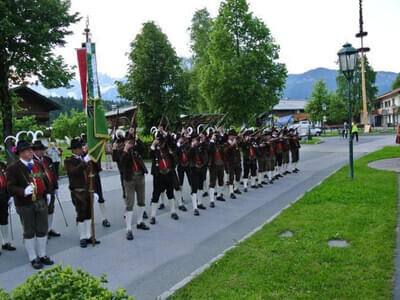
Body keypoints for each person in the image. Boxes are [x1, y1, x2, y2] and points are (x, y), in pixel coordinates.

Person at [7, 140, 54, 269]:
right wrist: (23, 191)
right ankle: (33, 258)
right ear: (20, 153)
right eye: (27, 150)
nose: (30, 152)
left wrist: (48, 192)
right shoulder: (13, 168)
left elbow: (45, 179)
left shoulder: (38, 164)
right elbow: (10, 187)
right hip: (24, 203)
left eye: (30, 149)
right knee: (29, 231)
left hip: (40, 200)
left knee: (42, 228)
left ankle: (42, 254)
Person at [64, 139, 100, 248]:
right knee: (81, 214)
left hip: (88, 190)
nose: (82, 150)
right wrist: (84, 162)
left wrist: (93, 160)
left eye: (82, 148)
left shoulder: (85, 159)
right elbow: (73, 172)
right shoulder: (69, 161)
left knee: (89, 213)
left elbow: (96, 170)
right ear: (74, 150)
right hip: (77, 191)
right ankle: (82, 237)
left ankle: (89, 235)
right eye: (80, 148)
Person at [120, 131, 150, 240]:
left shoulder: (136, 149)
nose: (131, 143)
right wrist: (125, 149)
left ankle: (140, 222)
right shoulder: (122, 151)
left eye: (132, 141)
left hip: (140, 176)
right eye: (129, 141)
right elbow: (122, 162)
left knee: (141, 200)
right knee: (130, 203)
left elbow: (143, 149)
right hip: (129, 179)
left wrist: (138, 139)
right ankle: (128, 229)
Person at [149, 130, 179, 224]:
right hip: (159, 175)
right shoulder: (154, 150)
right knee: (156, 195)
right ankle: (153, 216)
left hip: (169, 173)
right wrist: (153, 145)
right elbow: (150, 154)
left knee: (170, 193)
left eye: (163, 141)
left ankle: (173, 211)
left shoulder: (167, 147)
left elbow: (173, 144)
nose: (162, 143)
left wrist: (166, 134)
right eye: (160, 142)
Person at [32, 140, 60, 238]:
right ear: (34, 151)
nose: (42, 152)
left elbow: (53, 173)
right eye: (39, 150)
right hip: (42, 190)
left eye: (42, 149)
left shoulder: (47, 159)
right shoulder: (32, 161)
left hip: (51, 188)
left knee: (51, 209)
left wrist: (56, 187)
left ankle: (49, 228)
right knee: (42, 211)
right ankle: (43, 230)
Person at [0, 156, 16, 254]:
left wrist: (10, 195)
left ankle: (5, 242)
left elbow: (8, 180)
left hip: (3, 196)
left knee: (4, 219)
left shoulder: (2, 165)